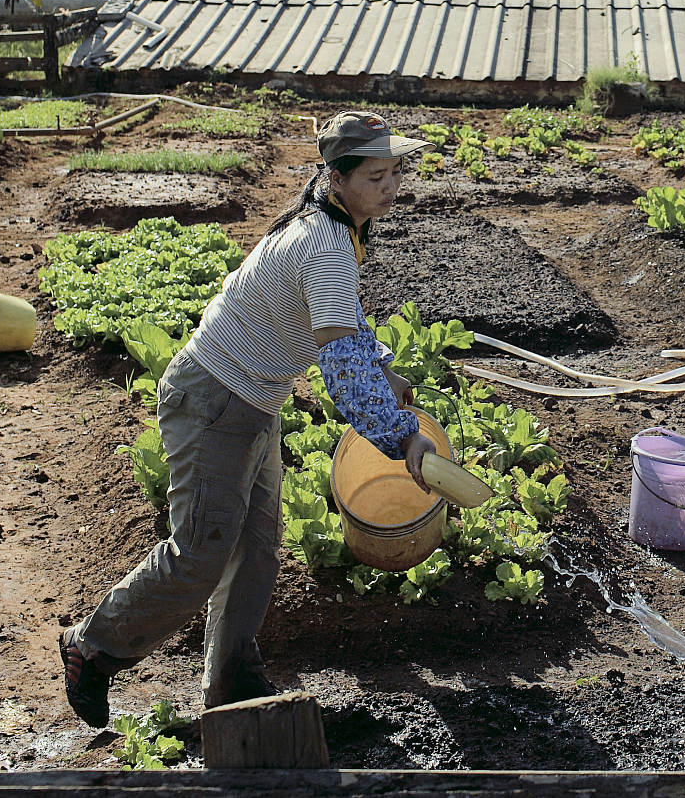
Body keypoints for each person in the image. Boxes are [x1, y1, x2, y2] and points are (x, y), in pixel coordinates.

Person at [58, 112, 437, 726]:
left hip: (254, 401)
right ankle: (93, 646)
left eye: (395, 171)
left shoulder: (336, 226)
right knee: (201, 551)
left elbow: (340, 332)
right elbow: (341, 371)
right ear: (336, 178)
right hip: (213, 400)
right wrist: (403, 438)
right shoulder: (326, 246)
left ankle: (230, 688)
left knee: (258, 550)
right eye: (375, 174)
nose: (390, 185)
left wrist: (384, 370)